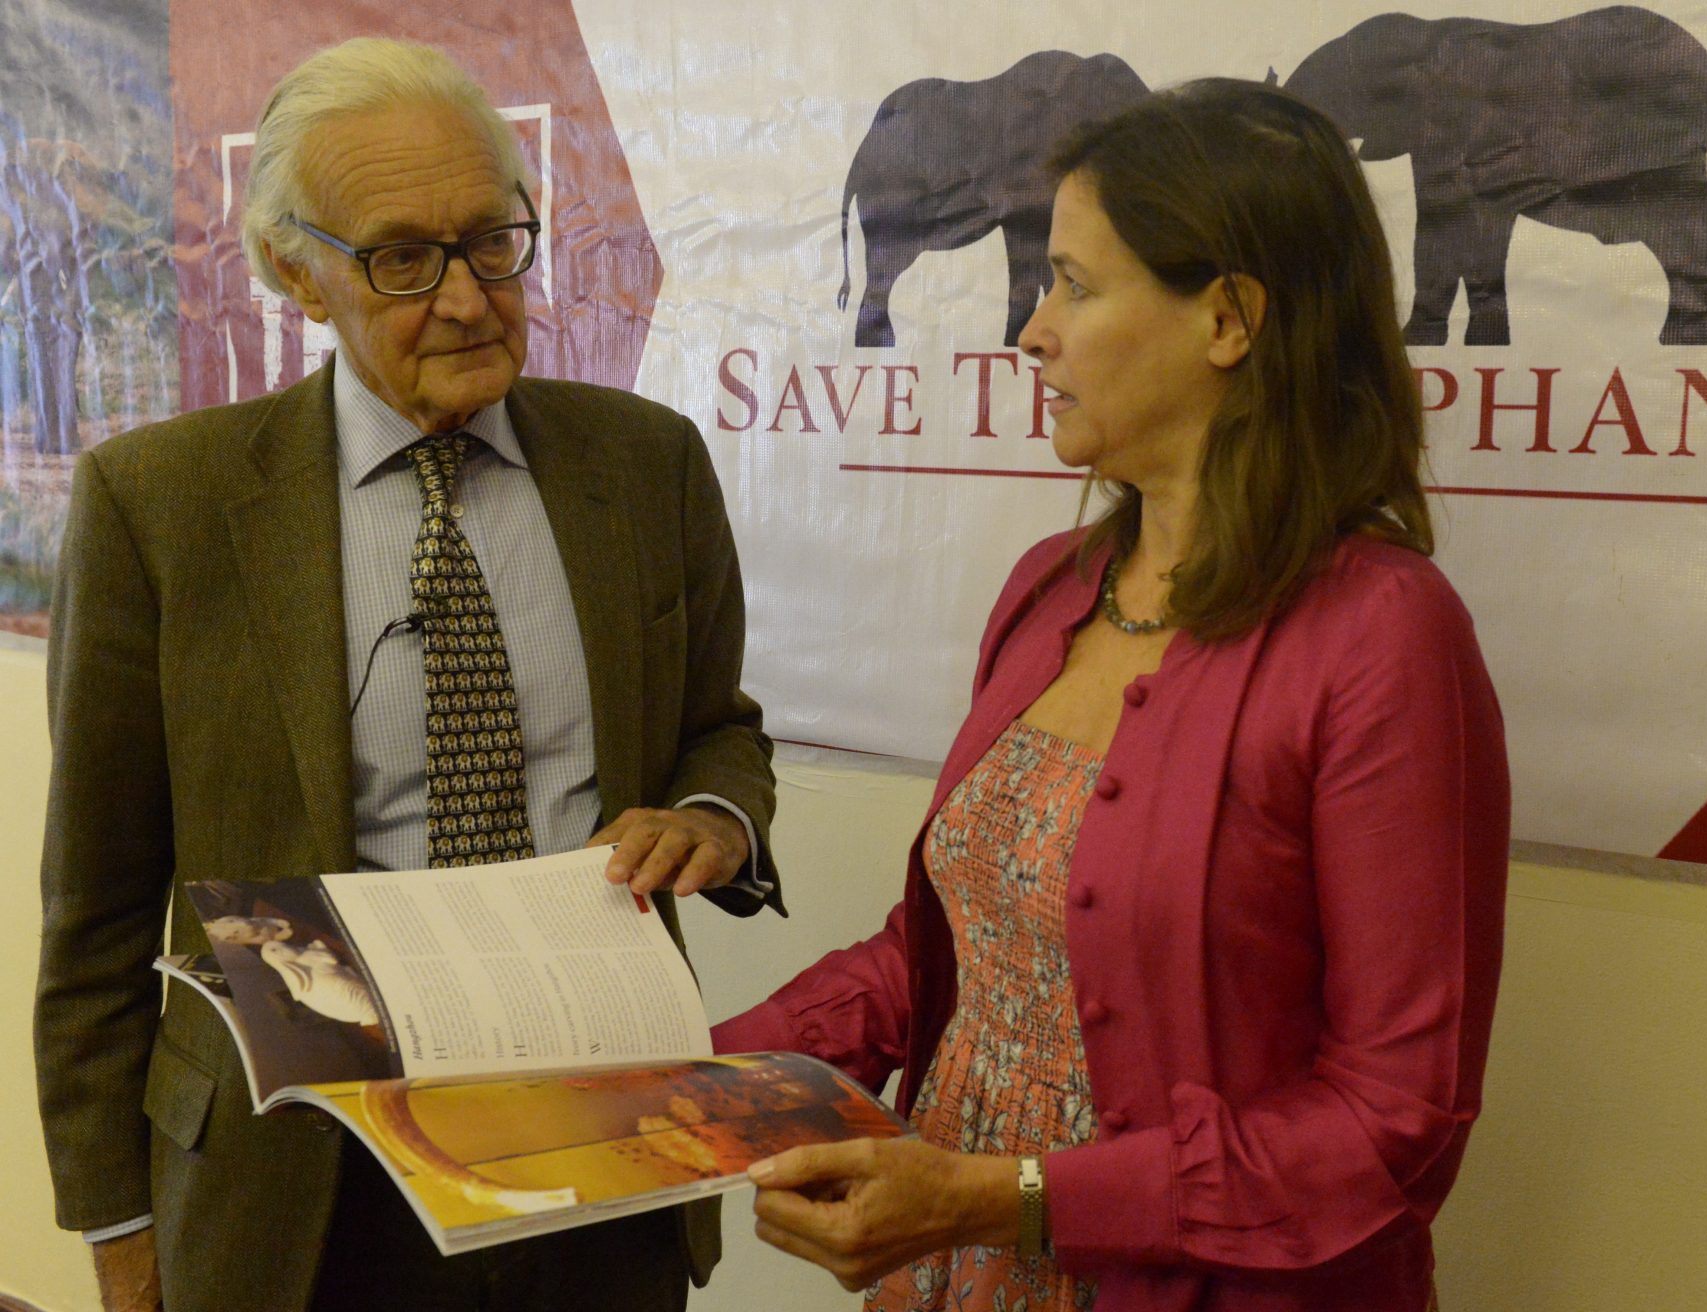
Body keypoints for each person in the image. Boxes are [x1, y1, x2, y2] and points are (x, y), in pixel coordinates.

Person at [712, 79, 1510, 1312]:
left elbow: (1390, 1123)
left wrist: (1004, 1197)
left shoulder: (1382, 637)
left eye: (1075, 286)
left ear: (1229, 321)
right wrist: (687, 1071)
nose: (1032, 331)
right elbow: (954, 954)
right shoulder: (1052, 587)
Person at [34, 38, 779, 1312]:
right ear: (293, 273)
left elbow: (719, 730)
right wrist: (118, 1231)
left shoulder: (645, 466)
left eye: (492, 241)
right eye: (399, 258)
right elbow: (97, 914)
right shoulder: (161, 506)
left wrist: (711, 819)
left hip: (599, 1150)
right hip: (301, 1190)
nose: (465, 298)